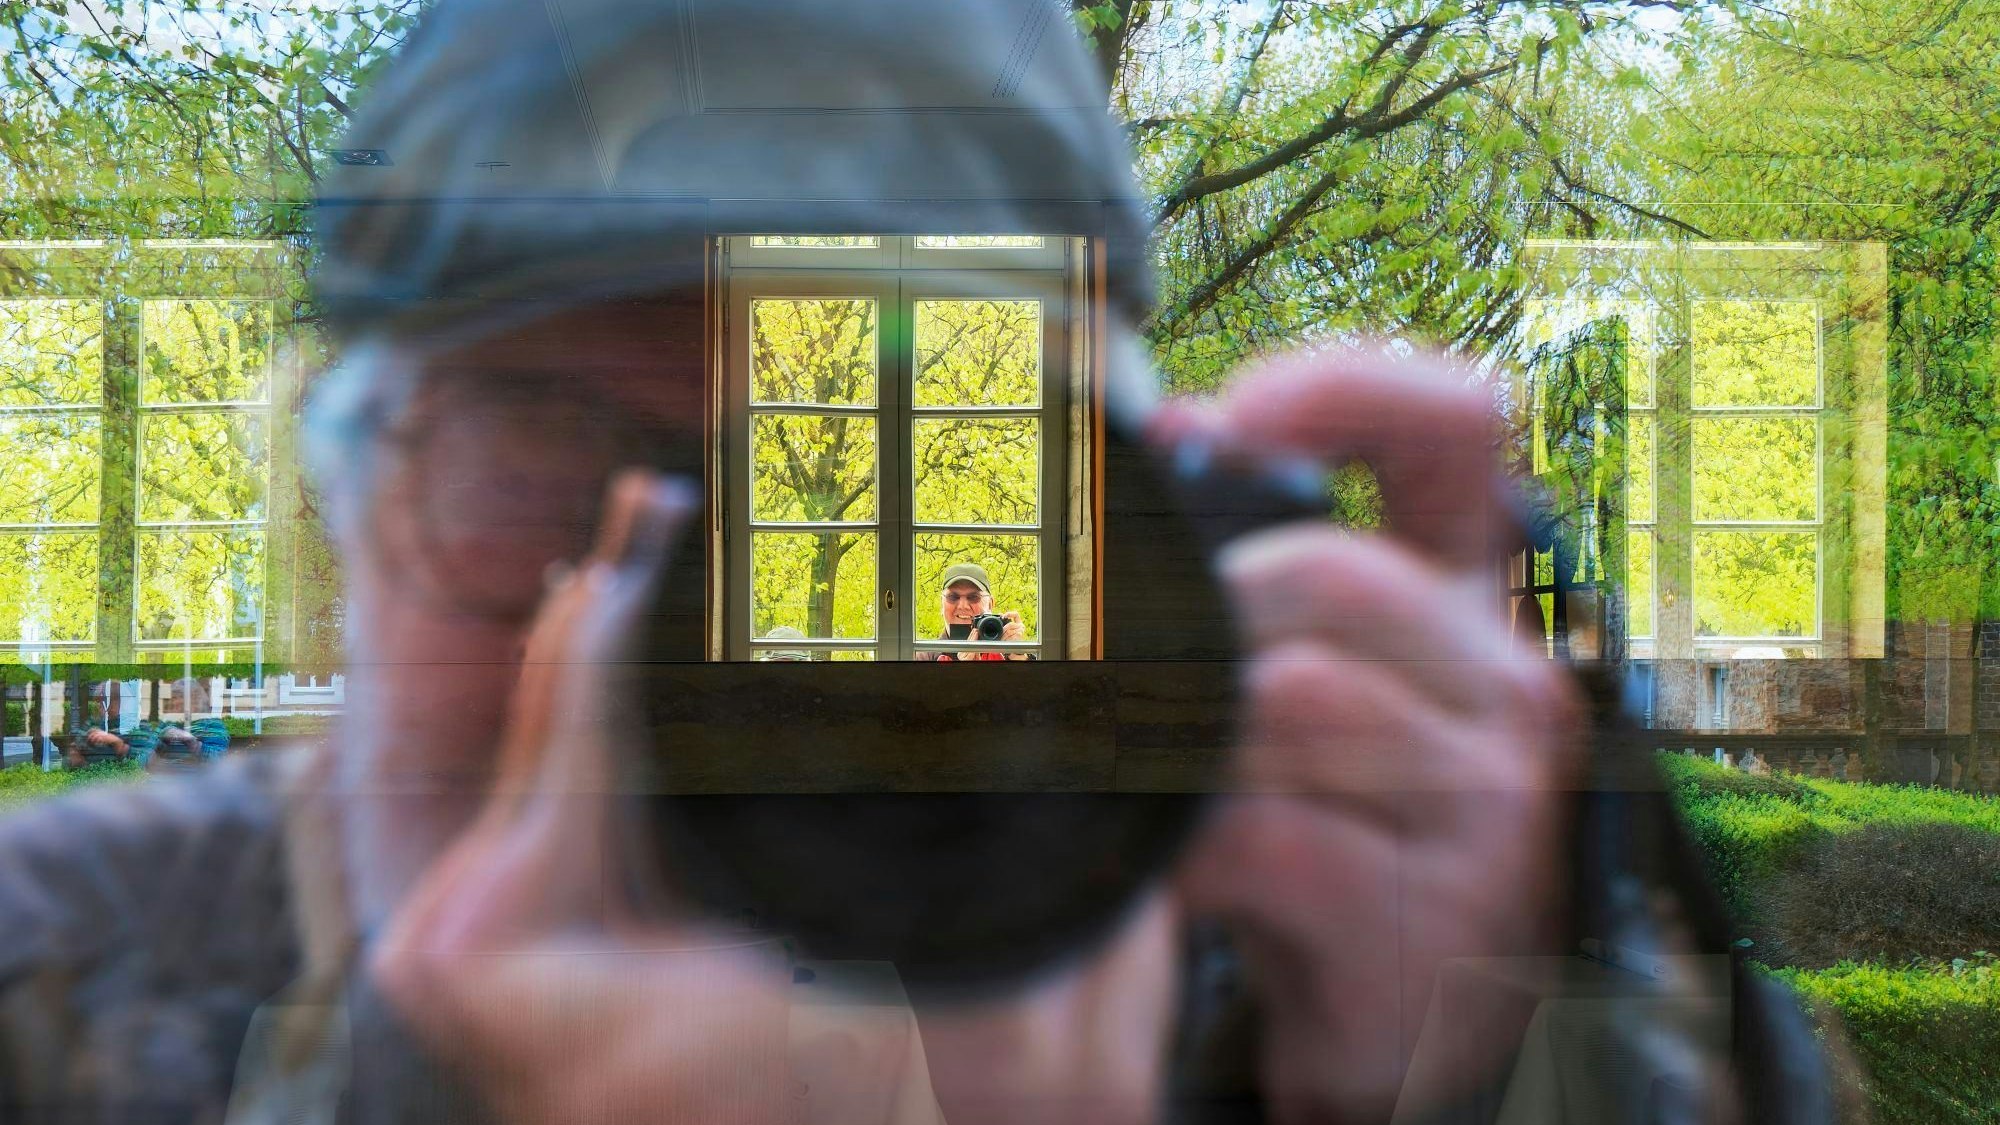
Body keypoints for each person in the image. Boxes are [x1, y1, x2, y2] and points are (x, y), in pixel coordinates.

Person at [0, 2, 1818, 1123]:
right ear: (338, 506)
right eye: (553, 472)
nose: (698, 651)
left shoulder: (1269, 940)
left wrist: (1532, 1069)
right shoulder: (55, 966)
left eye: (901, 495)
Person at [921, 562, 1031, 662]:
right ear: (942, 604)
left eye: (973, 597)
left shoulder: (1006, 652)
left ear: (990, 604)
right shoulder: (923, 657)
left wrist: (1018, 655)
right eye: (953, 597)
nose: (963, 606)